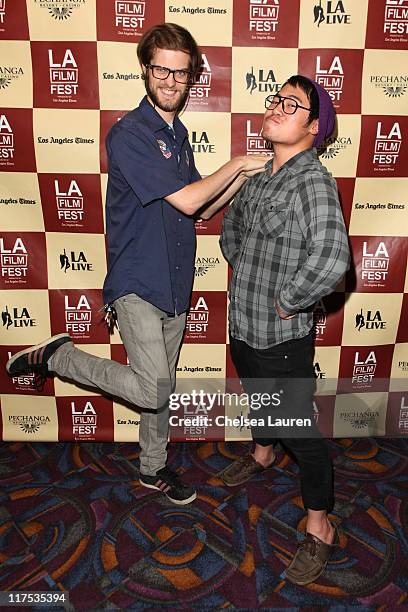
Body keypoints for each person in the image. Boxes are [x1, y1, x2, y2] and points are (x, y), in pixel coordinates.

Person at [6, 23, 266, 506]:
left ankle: (153, 468)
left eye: (180, 73)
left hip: (174, 283)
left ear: (192, 78)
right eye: (161, 70)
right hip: (137, 280)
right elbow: (189, 201)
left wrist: (247, 175)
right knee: (153, 386)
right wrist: (236, 164)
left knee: (159, 390)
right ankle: (58, 356)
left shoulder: (178, 133)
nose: (170, 80)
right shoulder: (130, 133)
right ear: (146, 71)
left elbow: (205, 207)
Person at [219, 75, 350, 585]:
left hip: (280, 335)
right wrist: (248, 272)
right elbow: (233, 231)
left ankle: (320, 525)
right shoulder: (260, 176)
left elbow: (334, 257)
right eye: (276, 99)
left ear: (314, 127)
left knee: (302, 430)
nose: (277, 106)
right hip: (243, 324)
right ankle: (263, 452)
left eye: (292, 104)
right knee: (259, 399)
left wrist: (286, 299)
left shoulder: (311, 180)